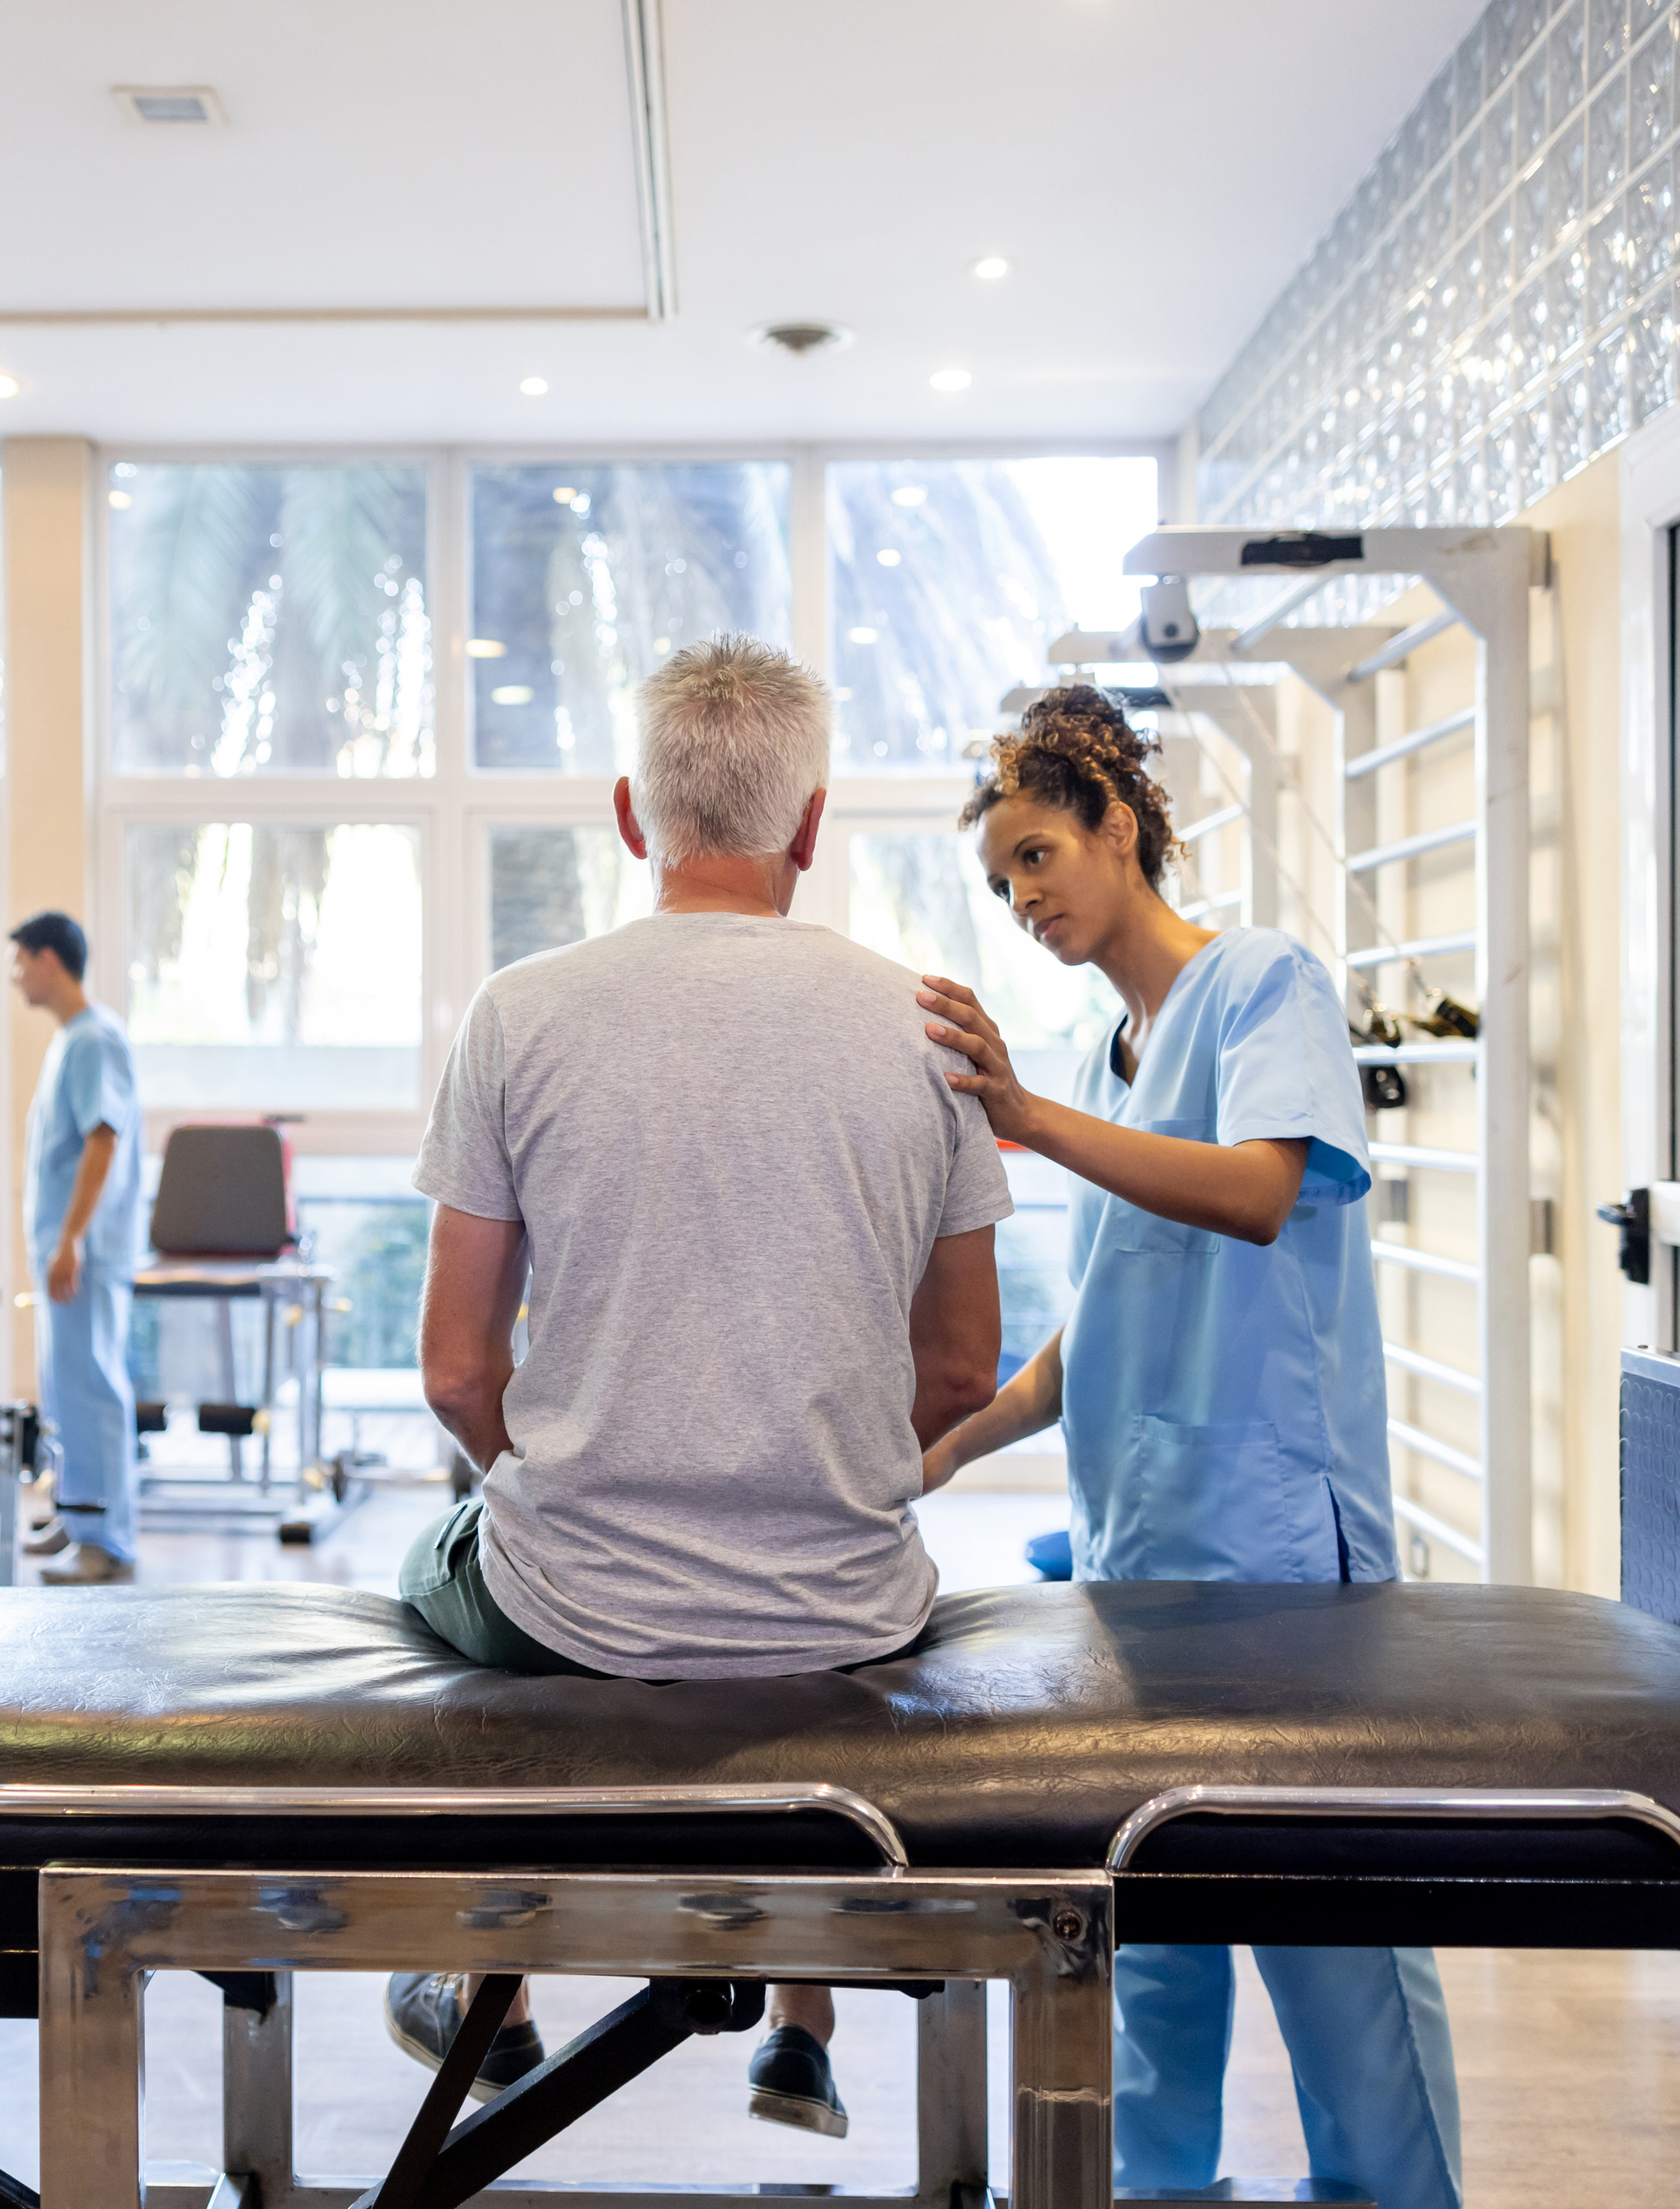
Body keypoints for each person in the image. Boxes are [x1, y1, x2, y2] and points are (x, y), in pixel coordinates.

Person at [395, 636, 1011, 2135]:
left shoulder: (517, 1013)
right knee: (776, 1669)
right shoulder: (928, 1024)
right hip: (844, 1599)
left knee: (443, 1564)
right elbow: (960, 1368)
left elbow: (454, 1369)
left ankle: (492, 1988)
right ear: (809, 824)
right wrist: (833, 1484)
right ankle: (794, 2023)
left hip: (573, 1602)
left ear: (629, 814)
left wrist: (543, 1480)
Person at [915, 686, 1461, 2209]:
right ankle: (1153, 2194)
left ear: (1115, 821)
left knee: (1331, 1953)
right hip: (1137, 1558)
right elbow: (1099, 1328)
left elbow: (1251, 1191)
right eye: (998, 881)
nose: (1022, 898)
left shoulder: (1258, 985)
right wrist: (937, 1445)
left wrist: (1017, 1115)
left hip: (1278, 1556)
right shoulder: (1107, 1057)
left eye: (1035, 854)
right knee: (1144, 1950)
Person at [9, 910, 144, 1588]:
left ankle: (106, 1538)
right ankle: (78, 1511)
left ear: (49, 960)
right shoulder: (72, 1039)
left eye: (20, 960)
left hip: (83, 1251)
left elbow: (103, 1138)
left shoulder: (94, 1039)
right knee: (66, 1387)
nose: (15, 976)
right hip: (64, 1250)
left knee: (93, 1389)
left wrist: (72, 1238)